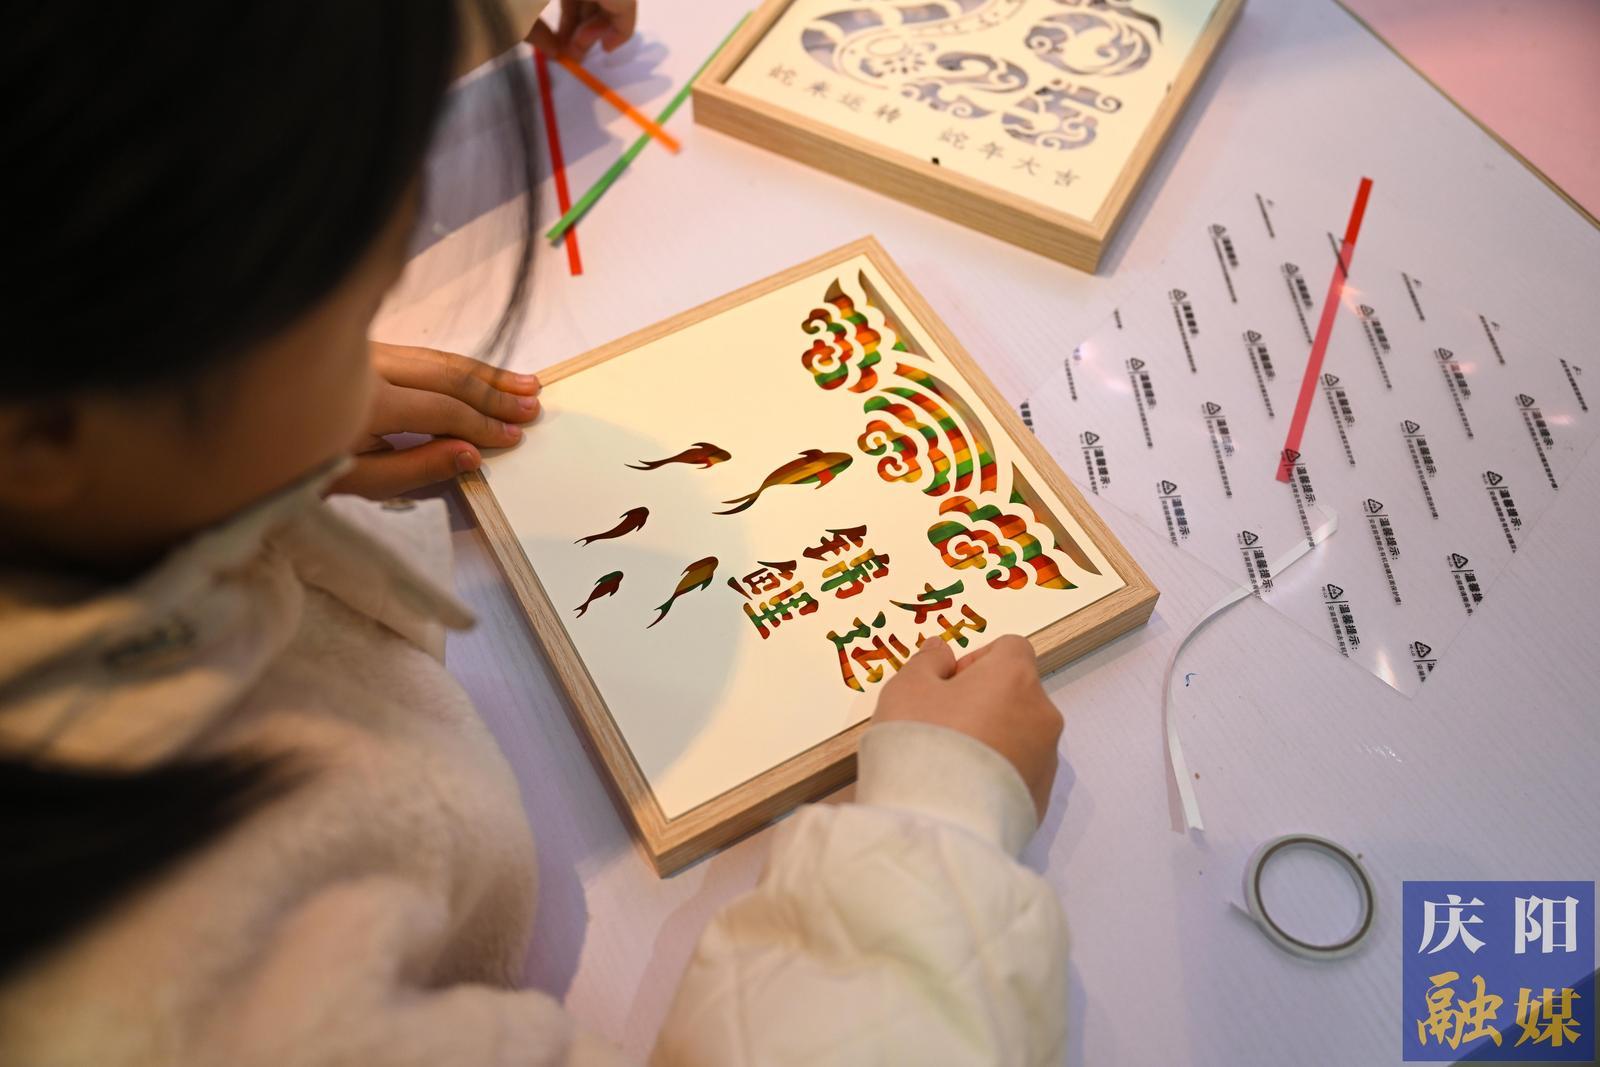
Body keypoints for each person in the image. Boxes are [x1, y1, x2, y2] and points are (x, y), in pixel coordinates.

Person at [0, 2, 1069, 1064]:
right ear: (56, 425)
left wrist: (231, 455)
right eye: (348, 312)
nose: (372, 344)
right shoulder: (184, 988)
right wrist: (939, 832)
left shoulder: (72, 432)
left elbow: (195, 79)